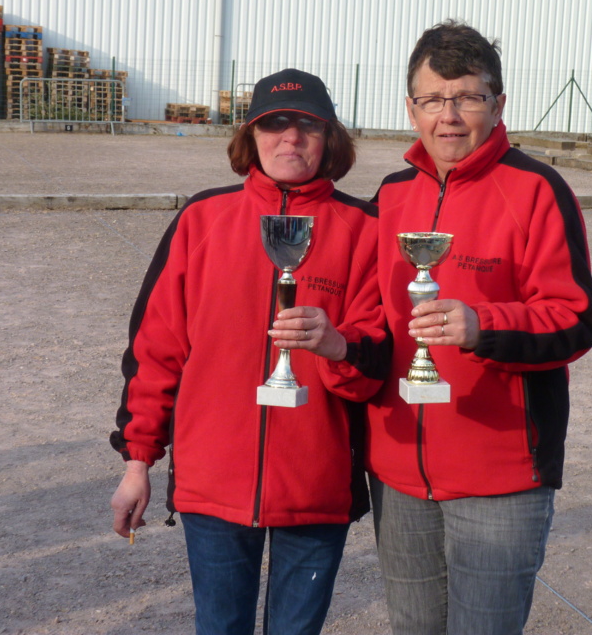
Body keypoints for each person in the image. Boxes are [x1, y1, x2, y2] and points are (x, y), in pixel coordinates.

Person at [109, 68, 389, 635]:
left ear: (330, 138)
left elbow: (374, 365)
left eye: (308, 124)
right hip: (212, 480)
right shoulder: (201, 219)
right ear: (251, 137)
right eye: (275, 123)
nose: (290, 137)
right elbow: (156, 349)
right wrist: (138, 461)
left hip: (316, 486)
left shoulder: (365, 229)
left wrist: (338, 345)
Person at [368, 21, 592, 635]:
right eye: (433, 100)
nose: (450, 116)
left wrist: (482, 326)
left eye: (468, 97)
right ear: (411, 108)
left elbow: (575, 320)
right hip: (397, 476)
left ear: (498, 104)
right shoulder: (389, 196)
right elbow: (368, 317)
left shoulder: (536, 190)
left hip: (501, 477)